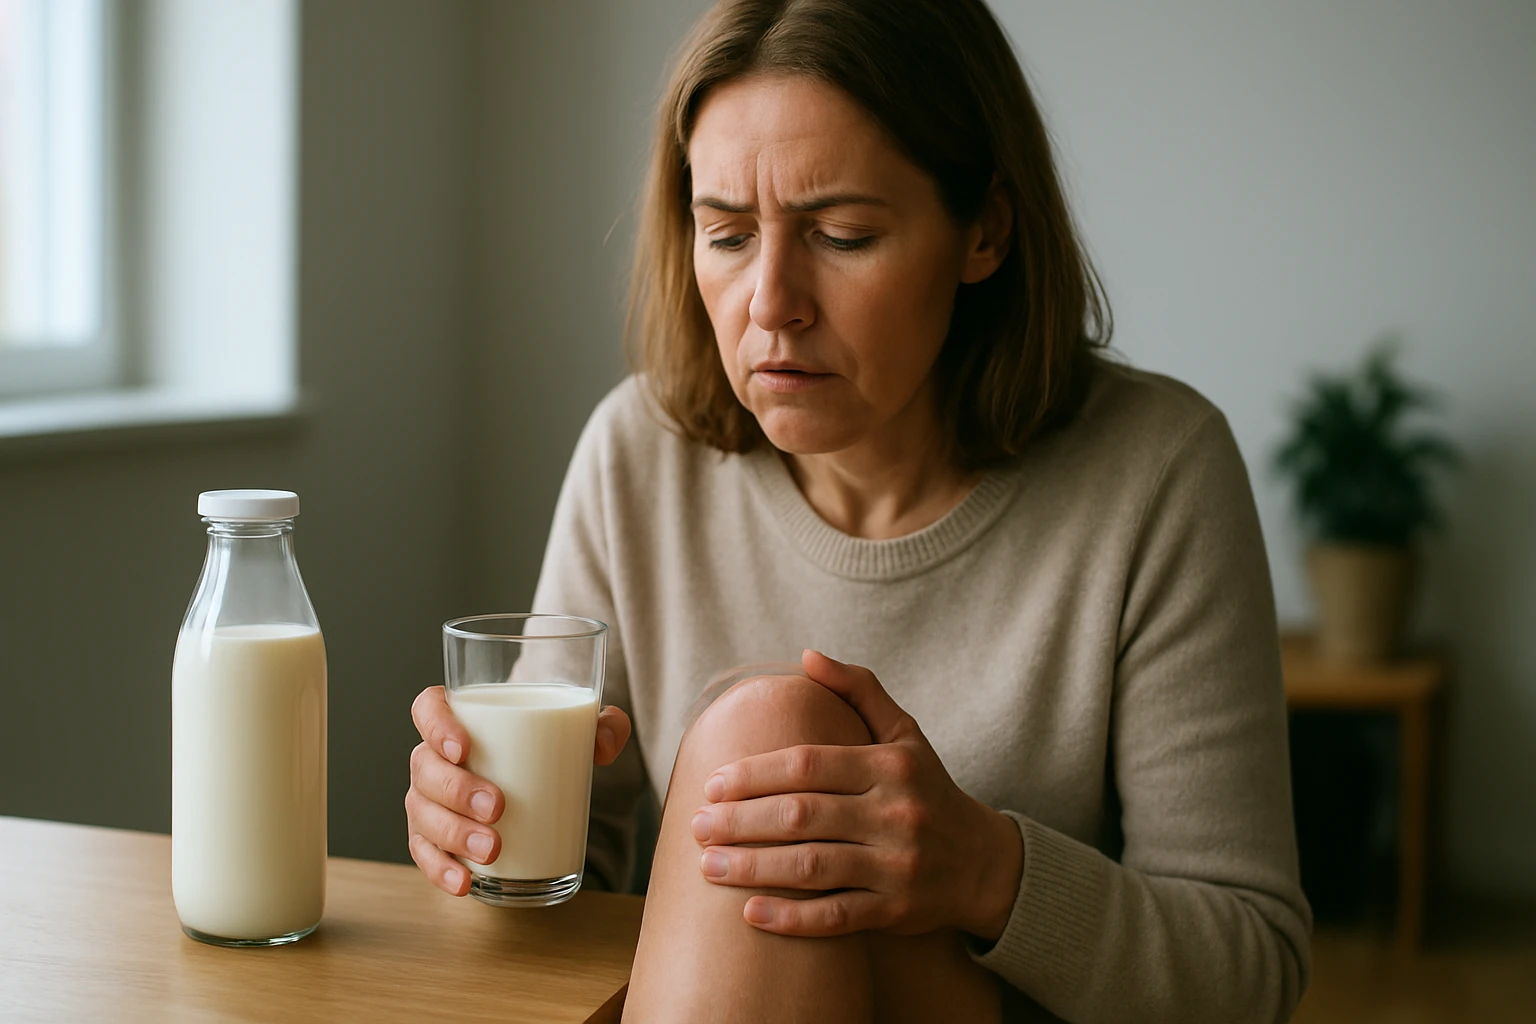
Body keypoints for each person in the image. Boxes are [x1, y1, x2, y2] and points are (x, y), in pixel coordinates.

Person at [405, 0, 1312, 1020]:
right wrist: (481, 830)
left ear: (986, 230)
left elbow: (1252, 977)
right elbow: (579, 884)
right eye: (727, 234)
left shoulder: (1157, 473)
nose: (771, 301)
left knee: (772, 729)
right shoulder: (637, 453)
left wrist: (988, 870)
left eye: (842, 234)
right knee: (772, 735)